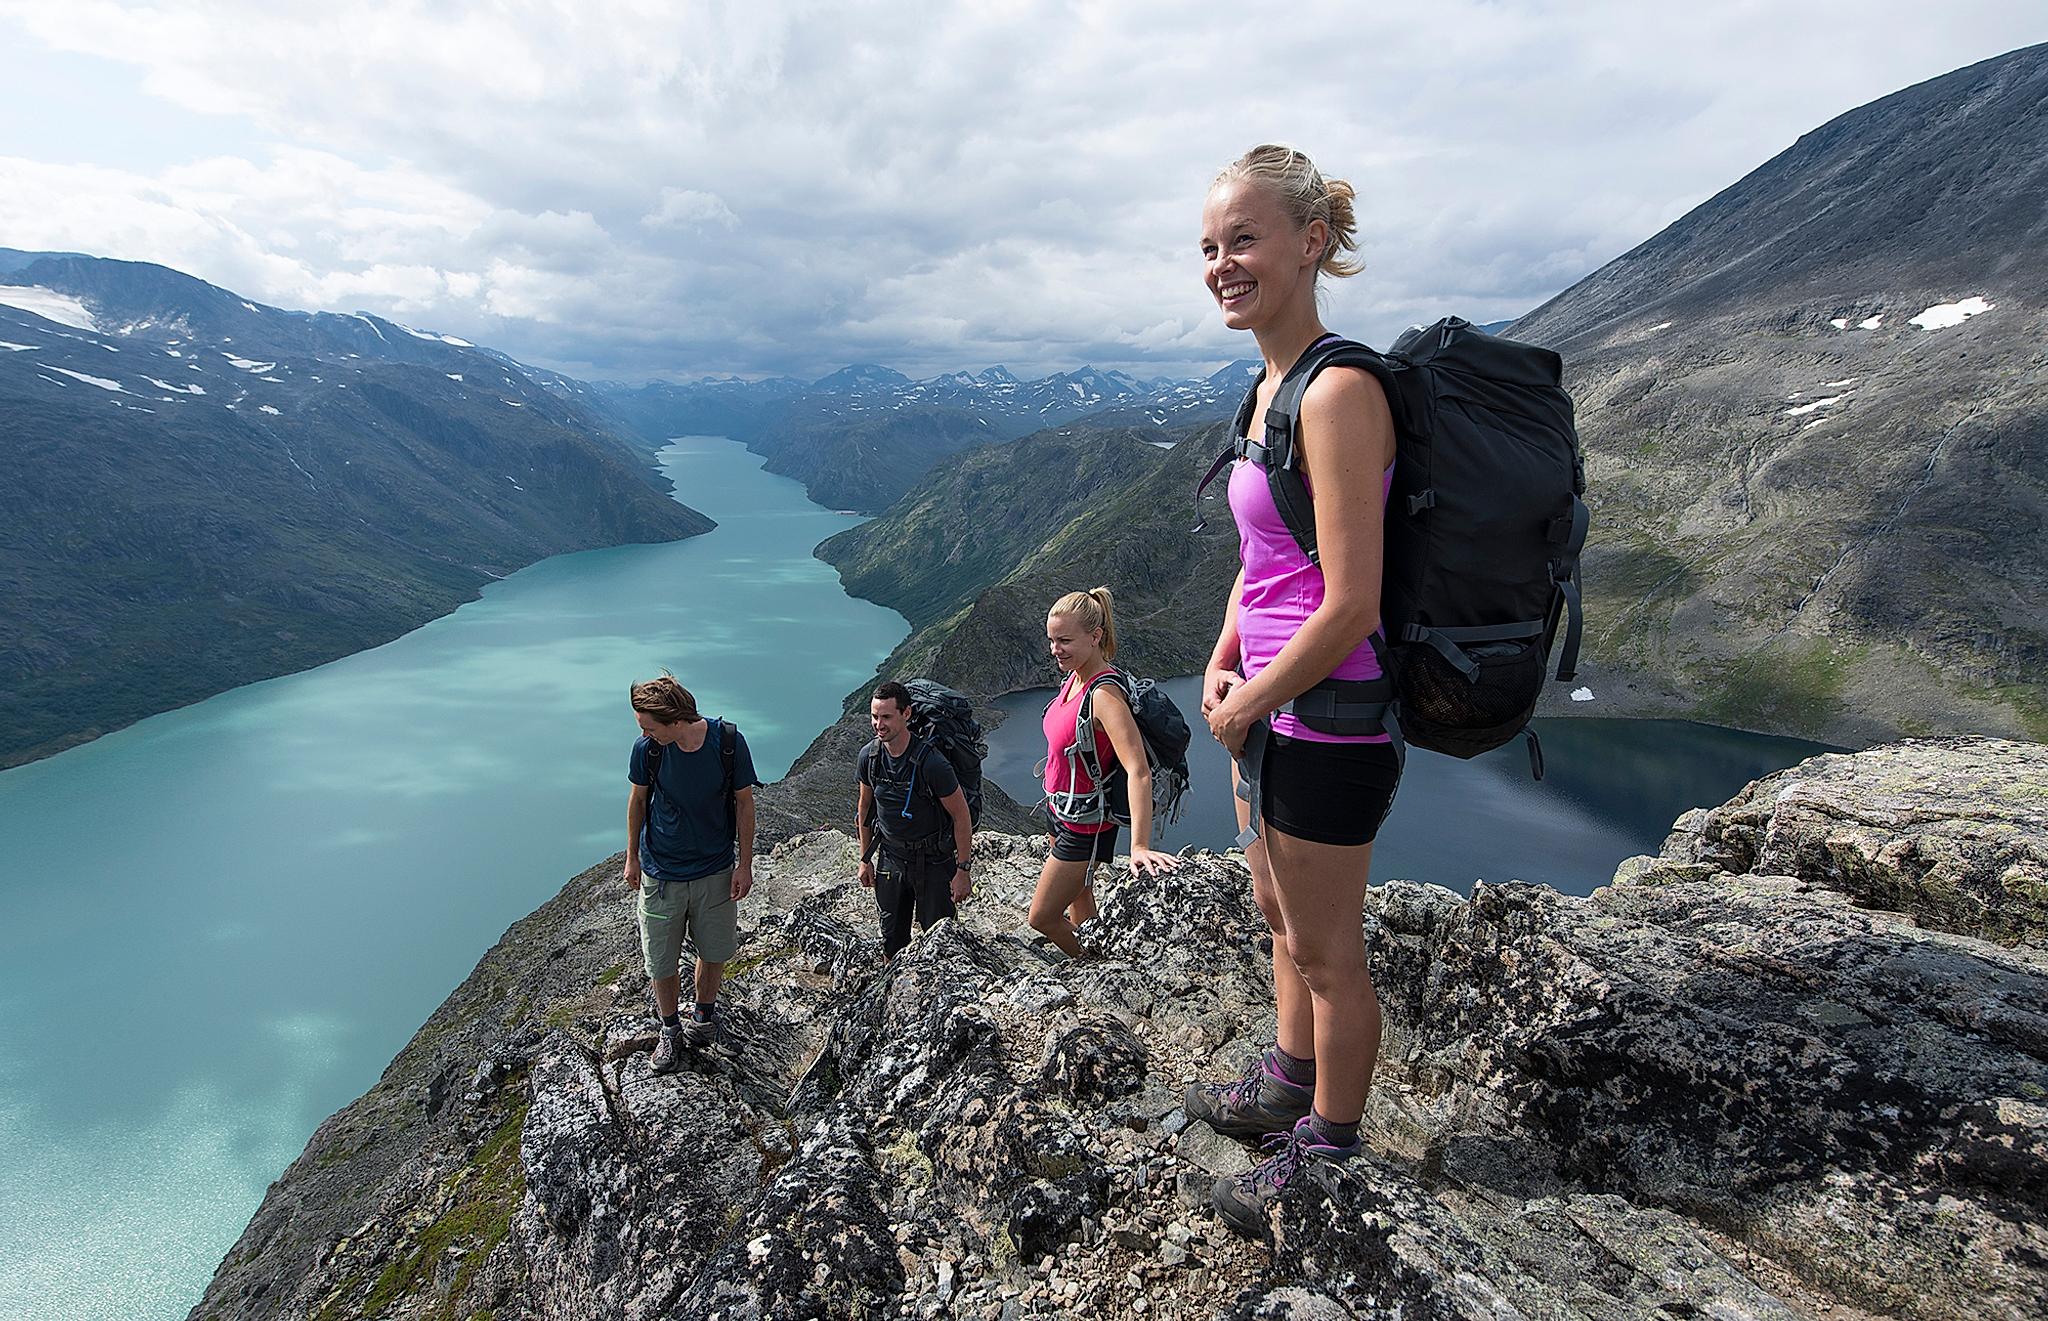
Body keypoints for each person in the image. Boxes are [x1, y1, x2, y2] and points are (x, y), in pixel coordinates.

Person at [1183, 145, 1403, 1238]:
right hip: (1268, 703)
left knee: (1327, 949)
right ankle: (1285, 1080)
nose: (1224, 263)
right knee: (1276, 915)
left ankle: (1328, 1142)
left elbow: (1350, 601)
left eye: (1244, 239)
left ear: (1310, 242)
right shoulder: (1266, 388)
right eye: (1211, 246)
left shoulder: (1339, 391)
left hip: (1328, 716)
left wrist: (1247, 698)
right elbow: (1264, 560)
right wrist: (1225, 655)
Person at [1030, 587, 1180, 958]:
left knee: (1043, 917)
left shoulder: (1104, 695)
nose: (1055, 650)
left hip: (1085, 825)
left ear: (1095, 637)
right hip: (1060, 810)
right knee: (1080, 896)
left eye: (1064, 640)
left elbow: (1138, 770)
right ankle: (1096, 957)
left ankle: (1091, 964)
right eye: (1052, 640)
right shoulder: (1074, 677)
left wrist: (1140, 847)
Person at [625, 673, 759, 1073]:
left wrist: (746, 863)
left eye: (650, 726)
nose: (645, 735)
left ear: (673, 720)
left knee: (714, 950)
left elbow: (745, 805)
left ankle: (703, 1018)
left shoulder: (728, 743)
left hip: (714, 868)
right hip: (662, 871)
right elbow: (637, 801)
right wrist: (632, 857)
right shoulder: (648, 750)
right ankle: (670, 1029)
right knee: (661, 958)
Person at [857, 680, 975, 958]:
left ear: (906, 714)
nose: (878, 724)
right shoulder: (870, 756)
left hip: (933, 862)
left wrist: (963, 871)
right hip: (891, 858)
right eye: (874, 716)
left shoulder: (932, 763)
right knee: (891, 940)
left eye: (886, 716)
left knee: (940, 942)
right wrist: (865, 860)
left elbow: (961, 816)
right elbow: (864, 811)